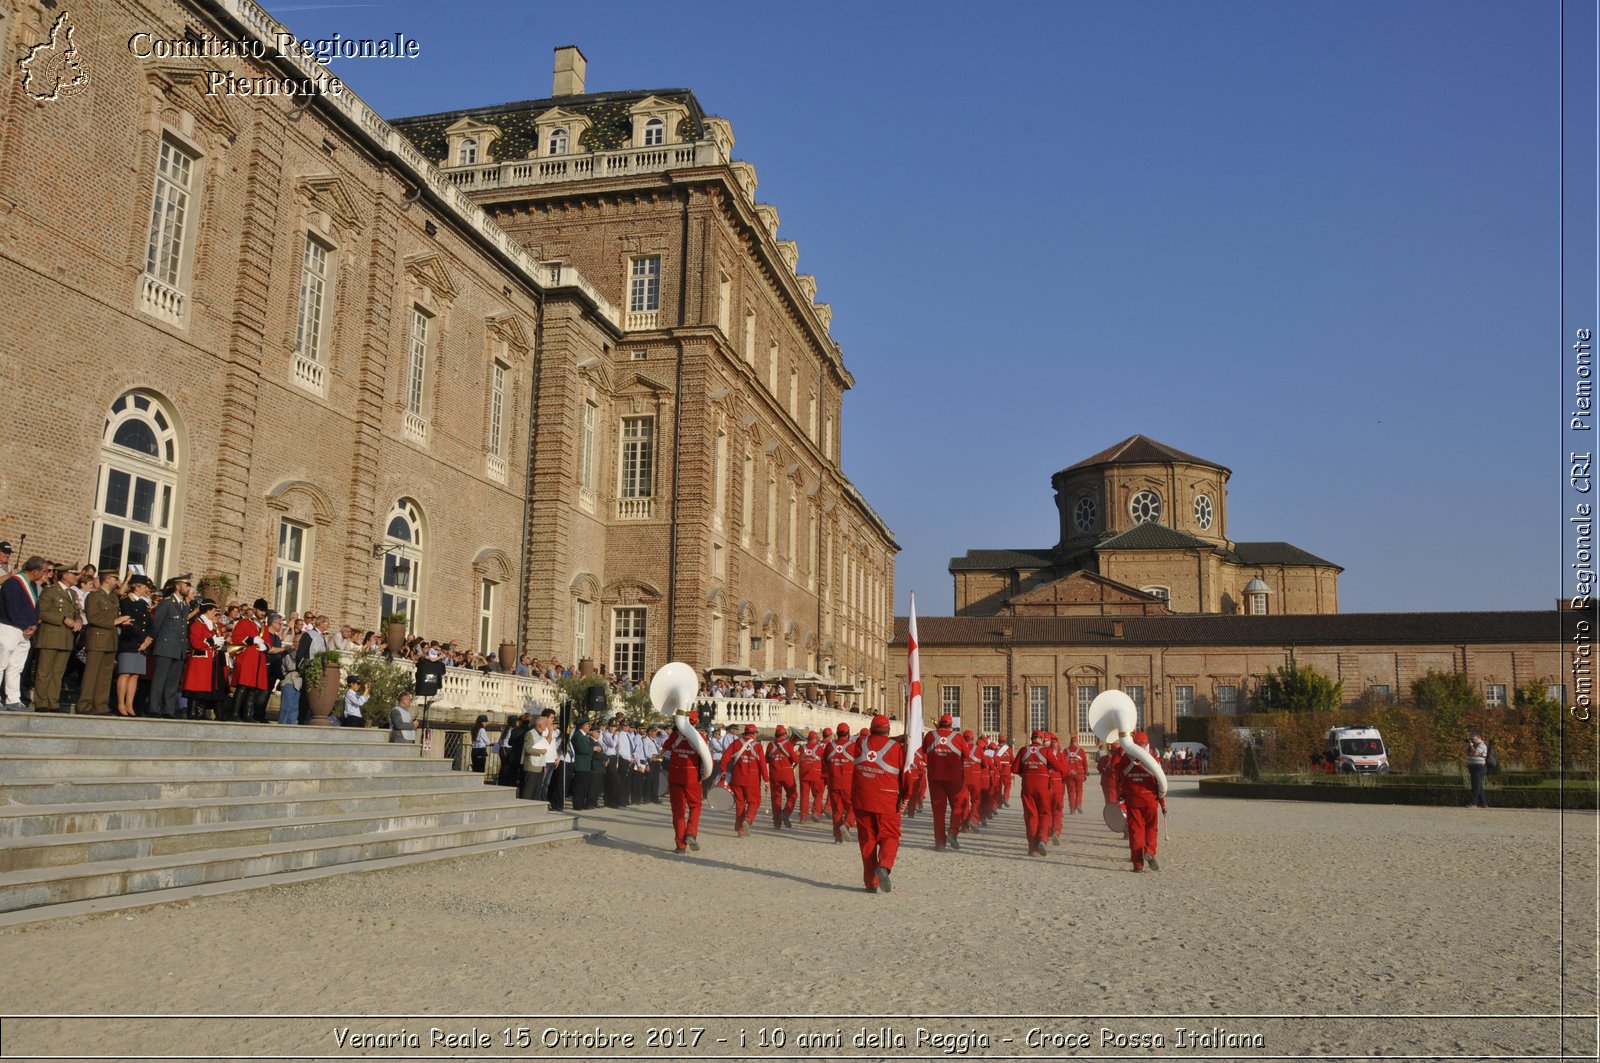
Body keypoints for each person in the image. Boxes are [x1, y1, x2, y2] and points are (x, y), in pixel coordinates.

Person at [850, 714, 905, 893]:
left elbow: (872, 742)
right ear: (888, 729)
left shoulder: (860, 744)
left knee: (867, 841)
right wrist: (906, 796)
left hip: (862, 799)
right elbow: (906, 776)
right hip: (887, 800)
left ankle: (870, 883)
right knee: (890, 836)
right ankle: (884, 865)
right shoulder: (897, 748)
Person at [33, 564, 81, 713]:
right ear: (65, 575)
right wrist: (63, 619)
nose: (76, 577)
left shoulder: (72, 594)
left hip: (66, 638)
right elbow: (41, 612)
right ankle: (41, 701)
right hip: (50, 636)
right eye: (73, 574)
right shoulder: (50, 591)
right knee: (44, 671)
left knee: (58, 672)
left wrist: (78, 620)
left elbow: (76, 612)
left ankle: (52, 701)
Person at [0, 556, 46, 710]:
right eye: (44, 571)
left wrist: (33, 625)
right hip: (9, 628)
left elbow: (35, 607)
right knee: (1, 663)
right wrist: (26, 625)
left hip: (24, 631)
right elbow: (13, 607)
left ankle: (13, 699)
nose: (46, 574)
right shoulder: (13, 583)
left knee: (16, 666)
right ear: (35, 571)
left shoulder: (32, 585)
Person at [1119, 731, 1166, 872]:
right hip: (1150, 799)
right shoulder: (1153, 760)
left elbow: (1121, 781)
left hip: (1133, 800)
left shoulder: (1125, 760)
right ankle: (1150, 851)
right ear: (1147, 743)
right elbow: (1161, 784)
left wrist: (1120, 799)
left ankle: (1137, 864)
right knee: (1151, 828)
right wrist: (1163, 804)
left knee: (1135, 832)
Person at [662, 711, 708, 853]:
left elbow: (665, 746)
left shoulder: (675, 735)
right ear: (696, 721)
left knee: (678, 811)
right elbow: (706, 758)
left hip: (675, 776)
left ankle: (680, 845)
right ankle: (691, 833)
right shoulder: (700, 737)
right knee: (695, 807)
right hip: (692, 777)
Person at [921, 713, 968, 851]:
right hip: (954, 778)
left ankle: (940, 843)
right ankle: (953, 832)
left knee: (938, 811)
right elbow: (966, 755)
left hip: (935, 777)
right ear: (951, 725)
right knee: (958, 806)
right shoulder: (958, 737)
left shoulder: (930, 736)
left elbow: (924, 750)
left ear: (940, 723)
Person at [148, 575, 191, 718]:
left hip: (178, 648)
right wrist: (154, 642)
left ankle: (169, 709)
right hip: (165, 646)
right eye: (186, 586)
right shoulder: (166, 603)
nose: (188, 589)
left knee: (173, 682)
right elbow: (157, 624)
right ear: (178, 586)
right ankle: (154, 707)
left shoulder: (184, 605)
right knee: (160, 679)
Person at [226, 599, 271, 723]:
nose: (263, 613)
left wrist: (265, 647)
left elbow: (268, 643)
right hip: (247, 658)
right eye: (261, 610)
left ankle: (247, 714)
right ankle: (234, 713)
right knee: (243, 686)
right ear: (255, 609)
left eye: (264, 611)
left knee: (253, 689)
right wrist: (251, 640)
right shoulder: (244, 622)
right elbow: (236, 638)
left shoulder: (263, 627)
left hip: (258, 659)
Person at [181, 599, 227, 719]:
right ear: (207, 611)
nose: (214, 613)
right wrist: (212, 641)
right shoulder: (197, 624)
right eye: (213, 611)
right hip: (199, 660)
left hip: (209, 661)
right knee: (196, 688)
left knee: (204, 688)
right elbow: (196, 643)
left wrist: (217, 644)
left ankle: (200, 713)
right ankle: (192, 713)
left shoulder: (211, 625)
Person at [719, 723, 768, 836]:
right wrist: (766, 780)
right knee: (754, 802)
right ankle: (748, 819)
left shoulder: (736, 743)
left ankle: (740, 830)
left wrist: (723, 770)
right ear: (754, 733)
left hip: (737, 778)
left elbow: (725, 757)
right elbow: (762, 765)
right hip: (752, 780)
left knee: (740, 805)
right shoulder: (758, 746)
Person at [1014, 731, 1054, 856]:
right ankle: (1042, 838)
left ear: (1031, 739)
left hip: (1027, 786)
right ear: (1041, 739)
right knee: (1045, 813)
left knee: (1031, 816)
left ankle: (1032, 848)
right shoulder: (1046, 751)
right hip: (1043, 786)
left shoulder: (1023, 750)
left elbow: (1014, 769)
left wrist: (1025, 771)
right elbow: (1061, 768)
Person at [824, 722, 857, 843]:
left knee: (837, 811)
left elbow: (825, 764)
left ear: (836, 733)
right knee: (853, 807)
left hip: (833, 783)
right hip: (848, 783)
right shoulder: (853, 746)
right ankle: (847, 824)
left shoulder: (829, 746)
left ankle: (838, 837)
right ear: (848, 733)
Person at [764, 724, 799, 828]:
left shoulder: (770, 745)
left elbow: (766, 760)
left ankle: (777, 823)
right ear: (785, 734)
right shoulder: (788, 744)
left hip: (774, 774)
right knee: (793, 795)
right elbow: (795, 760)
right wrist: (797, 753)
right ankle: (786, 812)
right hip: (787, 774)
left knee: (776, 799)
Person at [518, 714, 555, 800]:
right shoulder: (530, 734)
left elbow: (547, 744)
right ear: (539, 725)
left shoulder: (540, 734)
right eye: (545, 724)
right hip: (531, 766)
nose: (546, 726)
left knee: (536, 790)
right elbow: (527, 749)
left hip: (539, 766)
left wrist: (550, 731)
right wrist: (540, 751)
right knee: (529, 789)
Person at [1063, 735, 1088, 814]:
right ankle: (1078, 804)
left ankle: (1072, 809)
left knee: (1071, 792)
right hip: (1079, 773)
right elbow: (1085, 763)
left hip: (1069, 774)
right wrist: (1086, 773)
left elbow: (1063, 763)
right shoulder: (1081, 751)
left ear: (1070, 742)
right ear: (1077, 742)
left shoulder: (1065, 751)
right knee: (1079, 790)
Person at [1466, 733, 1489, 809]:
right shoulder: (1474, 746)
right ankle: (1483, 803)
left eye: (1474, 739)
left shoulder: (1482, 745)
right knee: (1479, 785)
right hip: (1473, 767)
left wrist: (1471, 745)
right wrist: (1470, 745)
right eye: (1472, 740)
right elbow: (1468, 753)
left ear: (1479, 738)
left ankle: (1474, 803)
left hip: (1479, 767)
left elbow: (1476, 753)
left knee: (1476, 785)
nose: (1473, 741)